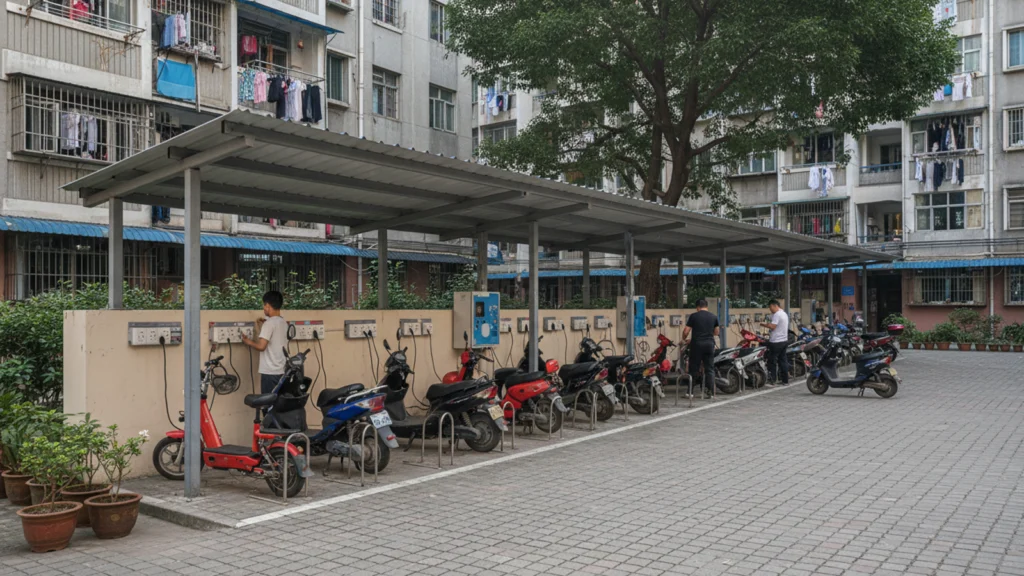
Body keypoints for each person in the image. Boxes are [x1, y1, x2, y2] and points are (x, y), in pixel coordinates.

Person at [241, 290, 289, 395]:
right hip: (282, 370)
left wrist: (248, 341)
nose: (264, 308)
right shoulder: (283, 322)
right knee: (278, 404)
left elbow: (261, 346)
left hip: (270, 372)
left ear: (267, 305)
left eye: (264, 305)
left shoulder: (269, 323)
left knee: (267, 405)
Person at [682, 299, 720, 399]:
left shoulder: (694, 316)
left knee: (693, 368)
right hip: (709, 345)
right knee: (710, 369)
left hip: (697, 345)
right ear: (706, 306)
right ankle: (710, 392)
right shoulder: (713, 317)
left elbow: (686, 331)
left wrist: (684, 338)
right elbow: (716, 332)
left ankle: (690, 392)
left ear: (698, 307)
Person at [761, 300, 790, 385]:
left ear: (774, 305)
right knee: (783, 361)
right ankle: (785, 380)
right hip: (784, 340)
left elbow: (773, 326)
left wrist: (763, 324)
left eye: (770, 307)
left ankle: (772, 380)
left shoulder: (777, 314)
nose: (770, 309)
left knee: (772, 361)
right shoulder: (784, 313)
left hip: (776, 342)